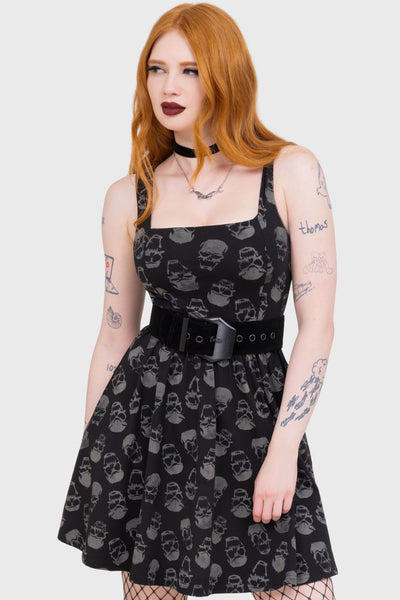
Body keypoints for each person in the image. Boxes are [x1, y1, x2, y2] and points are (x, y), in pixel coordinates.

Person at [57, 3, 339, 599]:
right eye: (156, 69)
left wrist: (284, 450)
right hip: (151, 414)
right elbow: (114, 335)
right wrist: (99, 453)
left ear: (226, 75)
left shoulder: (291, 171)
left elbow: (317, 326)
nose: (169, 86)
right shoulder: (128, 195)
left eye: (190, 70)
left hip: (258, 413)